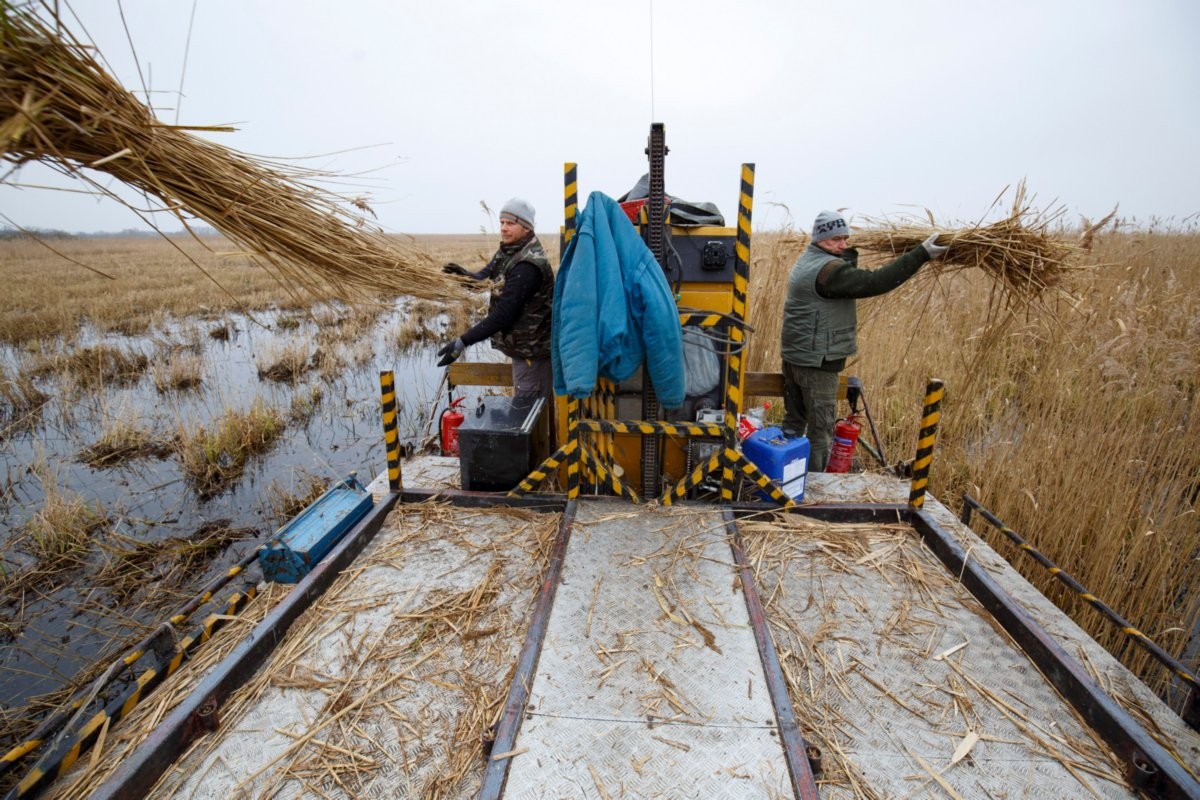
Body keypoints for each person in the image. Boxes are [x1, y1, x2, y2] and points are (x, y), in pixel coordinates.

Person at [780, 210, 947, 470]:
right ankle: (814, 489)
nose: (843, 244)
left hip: (798, 357)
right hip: (817, 363)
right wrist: (921, 254)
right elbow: (874, 282)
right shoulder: (827, 271)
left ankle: (785, 476)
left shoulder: (809, 260)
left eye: (845, 238)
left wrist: (842, 253)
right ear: (821, 239)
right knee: (821, 431)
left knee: (793, 423)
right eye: (836, 239)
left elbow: (845, 275)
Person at [437, 197, 555, 406]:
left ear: (526, 228)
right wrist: (463, 277)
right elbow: (484, 279)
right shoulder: (508, 251)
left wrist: (462, 342)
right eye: (502, 222)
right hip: (522, 350)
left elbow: (503, 315)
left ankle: (541, 440)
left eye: (510, 223)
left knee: (529, 412)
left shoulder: (527, 265)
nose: (503, 228)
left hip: (533, 355)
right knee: (529, 409)